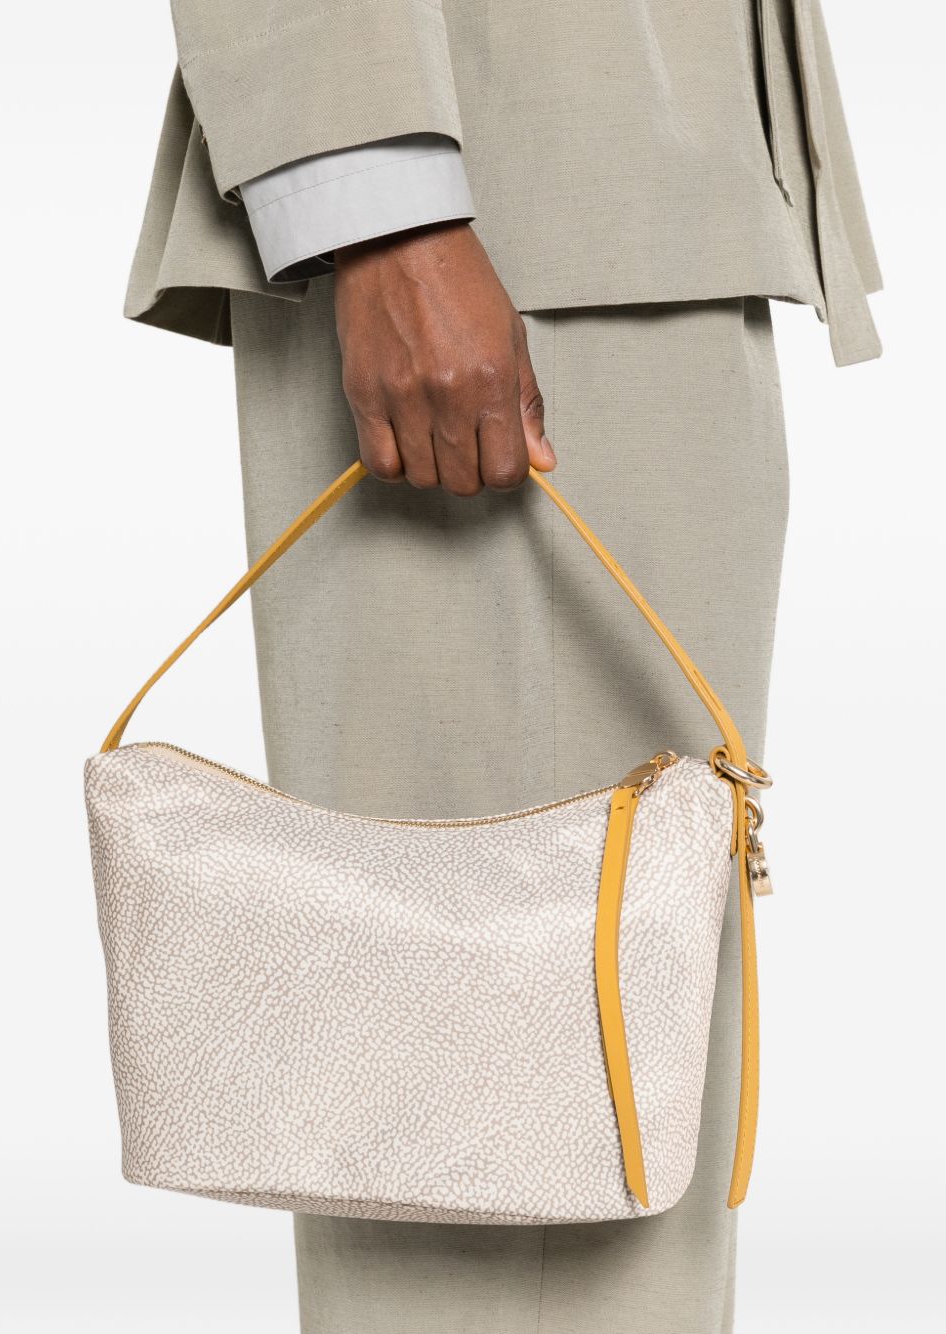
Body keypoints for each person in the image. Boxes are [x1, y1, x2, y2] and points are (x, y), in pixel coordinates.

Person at [124, 2, 880, 1331]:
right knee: (479, 1139)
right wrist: (385, 213)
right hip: (501, 213)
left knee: (623, 1138)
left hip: (656, 188)